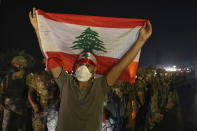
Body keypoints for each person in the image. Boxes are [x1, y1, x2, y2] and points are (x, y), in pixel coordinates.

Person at [29, 8, 152, 131]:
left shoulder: (101, 85)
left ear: (95, 69)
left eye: (88, 65)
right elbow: (49, 55)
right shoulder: (65, 82)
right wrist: (38, 30)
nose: (83, 67)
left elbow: (121, 66)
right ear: (75, 66)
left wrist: (141, 40)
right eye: (80, 64)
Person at [0, 56, 29, 131]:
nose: (14, 65)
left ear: (22, 65)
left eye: (16, 64)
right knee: (5, 126)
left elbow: (31, 91)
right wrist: (0, 102)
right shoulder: (8, 76)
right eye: (14, 64)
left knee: (20, 126)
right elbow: (1, 89)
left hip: (21, 105)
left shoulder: (28, 76)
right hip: (8, 104)